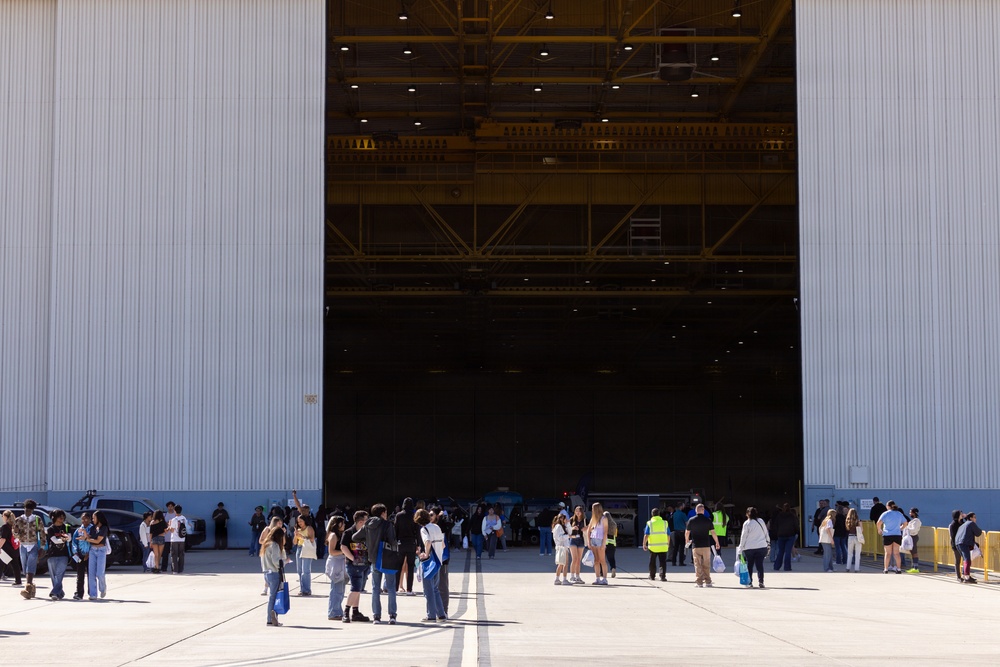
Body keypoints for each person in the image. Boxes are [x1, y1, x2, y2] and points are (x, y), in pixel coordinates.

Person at [353, 503, 399, 625]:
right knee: (391, 588)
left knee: (375, 588)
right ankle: (392, 615)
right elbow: (392, 541)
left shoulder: (367, 525)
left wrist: (367, 542)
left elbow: (355, 537)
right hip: (387, 557)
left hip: (373, 559)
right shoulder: (387, 524)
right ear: (383, 513)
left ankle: (376, 616)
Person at [416, 508, 446, 621]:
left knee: (428, 590)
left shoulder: (424, 529)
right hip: (439, 560)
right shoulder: (437, 527)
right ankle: (441, 614)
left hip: (430, 562)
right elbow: (443, 544)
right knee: (435, 589)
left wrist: (426, 554)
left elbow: (427, 542)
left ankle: (431, 615)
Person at [341, 510, 371, 623]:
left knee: (358, 590)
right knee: (355, 588)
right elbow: (343, 547)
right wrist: (353, 559)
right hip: (354, 565)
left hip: (364, 564)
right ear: (360, 522)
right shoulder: (349, 533)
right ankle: (346, 611)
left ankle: (355, 611)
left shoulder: (366, 532)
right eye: (366, 520)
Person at [13, 499, 45, 599]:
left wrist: (42, 547)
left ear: (32, 510)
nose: (27, 512)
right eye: (26, 509)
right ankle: (31, 588)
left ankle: (28, 587)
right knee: (25, 566)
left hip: (33, 545)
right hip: (23, 545)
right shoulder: (19, 519)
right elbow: (15, 534)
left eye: (30, 510)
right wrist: (17, 532)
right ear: (24, 508)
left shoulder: (37, 519)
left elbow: (42, 533)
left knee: (30, 567)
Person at [685, 504, 720, 588]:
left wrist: (686, 540)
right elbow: (713, 532)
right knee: (707, 564)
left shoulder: (691, 520)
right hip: (706, 546)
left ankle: (699, 582)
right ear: (703, 510)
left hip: (696, 545)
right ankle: (708, 582)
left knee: (697, 565)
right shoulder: (708, 520)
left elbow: (687, 532)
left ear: (696, 511)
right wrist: (717, 542)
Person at [736, 507, 770, 588]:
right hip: (761, 547)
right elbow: (766, 533)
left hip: (749, 548)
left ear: (747, 514)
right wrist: (768, 543)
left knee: (749, 565)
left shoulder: (747, 523)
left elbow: (743, 537)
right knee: (759, 565)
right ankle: (761, 582)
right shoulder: (761, 521)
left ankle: (750, 582)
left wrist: (740, 549)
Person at [261, 525, 288, 626]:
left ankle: (272, 618)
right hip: (274, 573)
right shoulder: (275, 545)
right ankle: (270, 618)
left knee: (272, 596)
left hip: (266, 573)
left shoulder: (266, 544)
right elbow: (276, 561)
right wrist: (284, 562)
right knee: (274, 597)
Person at [430, 507, 452, 615]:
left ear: (437, 516)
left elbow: (447, 526)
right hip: (432, 559)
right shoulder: (429, 527)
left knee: (442, 585)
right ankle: (434, 611)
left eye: (431, 515)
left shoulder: (442, 526)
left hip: (443, 559)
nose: (429, 517)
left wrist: (442, 518)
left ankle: (444, 610)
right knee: (432, 586)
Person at [325, 515, 347, 621]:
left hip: (340, 561)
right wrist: (344, 552)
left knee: (340, 590)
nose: (344, 525)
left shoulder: (339, 534)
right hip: (336, 562)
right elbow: (331, 552)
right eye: (342, 523)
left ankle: (337, 610)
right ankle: (333, 612)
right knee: (336, 589)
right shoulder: (333, 535)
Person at [394, 498, 418, 595]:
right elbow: (417, 530)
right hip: (411, 543)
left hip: (401, 543)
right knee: (411, 566)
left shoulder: (399, 515)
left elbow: (396, 529)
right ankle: (409, 589)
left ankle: (395, 588)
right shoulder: (414, 515)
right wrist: (418, 544)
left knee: (399, 566)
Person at [876, 500, 908, 574]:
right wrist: (901, 528)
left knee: (888, 553)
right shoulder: (899, 513)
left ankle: (886, 569)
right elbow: (905, 522)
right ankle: (899, 569)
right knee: (896, 553)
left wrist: (879, 530)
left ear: (888, 506)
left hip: (887, 535)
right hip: (897, 534)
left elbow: (879, 522)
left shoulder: (885, 514)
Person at [46, 509, 72, 600]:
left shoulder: (67, 527)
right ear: (54, 518)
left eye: (63, 516)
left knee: (59, 574)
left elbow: (69, 539)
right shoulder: (50, 529)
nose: (62, 518)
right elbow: (55, 541)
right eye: (60, 516)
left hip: (63, 554)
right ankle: (59, 593)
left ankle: (54, 593)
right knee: (54, 576)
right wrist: (63, 539)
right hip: (52, 554)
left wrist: (64, 539)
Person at [86, 510, 110, 600]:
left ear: (98, 518)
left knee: (100, 573)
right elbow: (90, 537)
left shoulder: (104, 528)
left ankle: (103, 588)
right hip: (92, 550)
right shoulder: (92, 528)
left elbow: (98, 540)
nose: (92, 519)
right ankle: (93, 594)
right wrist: (84, 534)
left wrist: (86, 539)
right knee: (91, 573)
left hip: (101, 550)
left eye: (94, 518)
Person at [955, 512, 983, 584]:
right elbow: (978, 533)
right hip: (964, 543)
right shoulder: (971, 523)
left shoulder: (963, 525)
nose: (975, 519)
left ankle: (965, 575)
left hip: (958, 543)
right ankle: (967, 577)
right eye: (974, 517)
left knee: (965, 560)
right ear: (970, 518)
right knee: (967, 560)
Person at [643, 508, 669, 581]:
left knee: (652, 562)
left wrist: (644, 544)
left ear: (652, 514)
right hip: (663, 546)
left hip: (653, 547)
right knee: (663, 562)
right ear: (659, 514)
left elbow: (646, 534)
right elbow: (668, 534)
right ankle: (662, 576)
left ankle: (652, 576)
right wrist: (668, 543)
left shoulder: (649, 523)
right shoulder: (665, 523)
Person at [70, 512, 93, 600]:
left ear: (90, 519)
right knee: (80, 575)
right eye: (83, 518)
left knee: (91, 575)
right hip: (80, 555)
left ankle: (92, 592)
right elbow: (74, 542)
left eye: (86, 518)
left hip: (90, 555)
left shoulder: (92, 529)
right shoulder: (78, 530)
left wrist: (89, 553)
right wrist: (75, 552)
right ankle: (79, 593)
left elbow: (93, 542)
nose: (84, 520)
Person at [293, 514, 317, 595]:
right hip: (299, 548)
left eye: (301, 521)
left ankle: (307, 589)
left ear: (305, 521)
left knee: (305, 570)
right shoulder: (298, 530)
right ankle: (302, 589)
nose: (299, 523)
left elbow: (312, 539)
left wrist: (302, 536)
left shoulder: (309, 528)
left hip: (306, 548)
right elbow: (294, 542)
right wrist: (296, 535)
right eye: (298, 522)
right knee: (299, 571)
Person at [770, 503, 799, 571]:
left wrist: (778, 532)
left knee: (781, 551)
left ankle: (776, 566)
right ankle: (787, 567)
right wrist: (795, 532)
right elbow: (796, 525)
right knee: (788, 552)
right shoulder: (792, 516)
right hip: (790, 535)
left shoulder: (779, 516)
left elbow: (775, 525)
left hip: (781, 535)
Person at [586, 502, 609, 585]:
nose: (592, 510)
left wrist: (603, 543)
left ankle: (605, 579)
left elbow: (605, 531)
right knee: (596, 561)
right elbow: (588, 530)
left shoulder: (604, 518)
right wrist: (589, 541)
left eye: (593, 508)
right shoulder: (593, 518)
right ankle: (597, 578)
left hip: (600, 540)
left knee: (602, 560)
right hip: (593, 540)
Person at [0, 510, 22, 588]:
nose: (2, 517)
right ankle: (18, 581)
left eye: (3, 516)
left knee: (1, 564)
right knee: (15, 565)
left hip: (6, 549)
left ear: (6, 517)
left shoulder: (5, 527)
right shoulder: (15, 526)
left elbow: (3, 539)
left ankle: (18, 581)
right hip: (14, 548)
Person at [166, 505, 188, 574]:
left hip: (174, 539)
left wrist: (169, 525)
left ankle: (175, 570)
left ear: (175, 511)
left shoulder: (174, 520)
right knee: (181, 554)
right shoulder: (184, 518)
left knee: (174, 554)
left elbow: (172, 530)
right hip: (182, 539)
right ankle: (180, 569)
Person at [567, 505, 586, 584]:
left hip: (581, 540)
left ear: (582, 512)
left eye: (579, 511)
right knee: (574, 559)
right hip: (573, 540)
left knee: (578, 560)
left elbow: (589, 528)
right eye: (576, 511)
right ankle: (572, 576)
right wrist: (572, 528)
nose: (578, 513)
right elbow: (566, 530)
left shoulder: (584, 520)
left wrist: (586, 528)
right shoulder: (571, 519)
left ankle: (578, 576)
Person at [552, 513, 570, 584]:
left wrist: (568, 525)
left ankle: (558, 579)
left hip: (562, 546)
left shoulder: (560, 526)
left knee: (562, 563)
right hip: (562, 547)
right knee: (563, 563)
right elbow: (560, 537)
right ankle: (563, 579)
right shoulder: (558, 526)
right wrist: (568, 536)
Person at [902, 507, 922, 572]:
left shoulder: (916, 521)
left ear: (914, 513)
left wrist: (907, 528)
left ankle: (915, 568)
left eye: (910, 512)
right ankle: (914, 567)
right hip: (911, 537)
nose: (909, 513)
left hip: (913, 537)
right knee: (912, 552)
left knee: (914, 552)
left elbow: (914, 530)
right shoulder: (914, 521)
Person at [948, 510, 966, 582]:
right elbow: (953, 536)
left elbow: (967, 524)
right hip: (956, 545)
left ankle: (965, 574)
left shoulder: (962, 523)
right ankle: (958, 576)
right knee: (958, 560)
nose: (962, 514)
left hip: (963, 543)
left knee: (966, 559)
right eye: (960, 514)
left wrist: (966, 517)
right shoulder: (953, 525)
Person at [845, 508, 863, 572]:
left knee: (849, 553)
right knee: (857, 554)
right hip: (857, 537)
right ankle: (856, 568)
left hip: (850, 537)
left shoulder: (848, 520)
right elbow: (861, 530)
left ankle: (848, 567)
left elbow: (847, 529)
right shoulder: (858, 520)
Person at [149, 509, 167, 574]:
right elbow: (165, 531)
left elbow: (151, 533)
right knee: (160, 554)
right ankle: (158, 566)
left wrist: (150, 541)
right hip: (161, 537)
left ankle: (156, 567)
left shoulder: (152, 522)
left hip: (154, 538)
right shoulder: (163, 522)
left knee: (156, 554)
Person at [603, 511, 618, 578]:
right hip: (612, 543)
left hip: (604, 542)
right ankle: (613, 568)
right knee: (611, 558)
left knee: (602, 558)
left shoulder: (603, 524)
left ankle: (601, 572)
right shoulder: (614, 524)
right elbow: (616, 534)